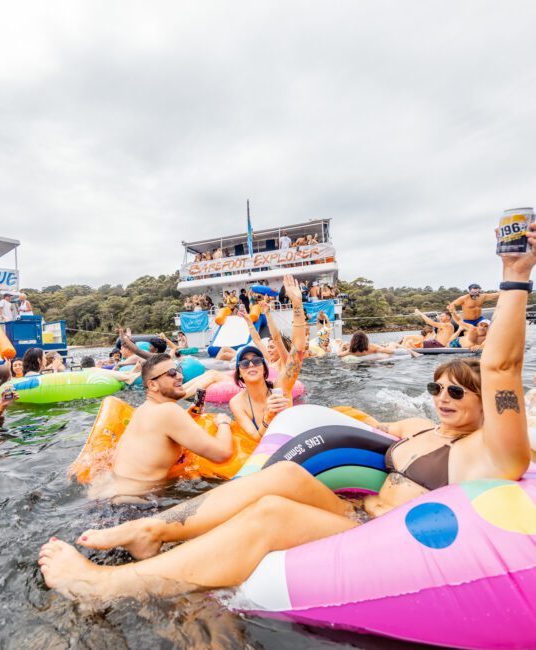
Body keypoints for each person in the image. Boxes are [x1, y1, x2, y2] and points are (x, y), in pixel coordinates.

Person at [39, 226, 536, 604]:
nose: (442, 396)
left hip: (386, 539)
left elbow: (502, 367)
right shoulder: (423, 429)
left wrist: (515, 279)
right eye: (435, 387)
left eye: (456, 391)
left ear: (485, 403)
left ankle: (107, 585)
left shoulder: (493, 451)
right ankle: (153, 529)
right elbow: (366, 426)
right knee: (283, 475)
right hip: (356, 512)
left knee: (271, 516)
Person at [85, 353, 233, 498]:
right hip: (136, 505)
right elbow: (221, 454)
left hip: (110, 498)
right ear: (153, 385)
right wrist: (223, 422)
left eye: (178, 370)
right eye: (172, 373)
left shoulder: (142, 410)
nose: (180, 376)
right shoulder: (169, 411)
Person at [229, 276, 305, 439]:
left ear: (264, 368)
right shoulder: (236, 402)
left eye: (256, 360)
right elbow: (255, 437)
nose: (251, 365)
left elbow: (298, 349)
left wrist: (297, 304)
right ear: (239, 372)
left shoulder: (281, 389)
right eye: (244, 362)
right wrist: (268, 416)